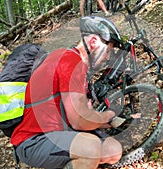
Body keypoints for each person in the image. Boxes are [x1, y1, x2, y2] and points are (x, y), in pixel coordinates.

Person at [10, 16, 124, 169]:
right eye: (108, 51)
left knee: (113, 151)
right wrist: (106, 115)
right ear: (94, 42)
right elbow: (79, 120)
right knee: (91, 148)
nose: (108, 57)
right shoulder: (69, 61)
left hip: (59, 132)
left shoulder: (75, 63)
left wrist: (97, 119)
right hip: (34, 139)